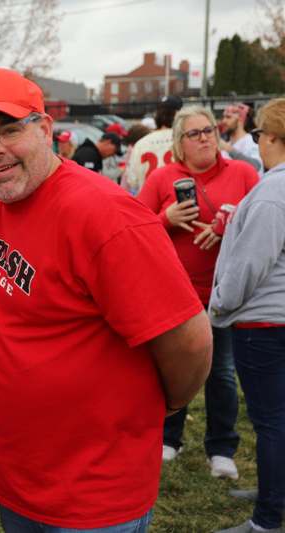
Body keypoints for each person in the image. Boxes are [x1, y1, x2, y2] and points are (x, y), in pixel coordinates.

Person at [0, 67, 212, 532]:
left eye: (9, 130)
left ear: (46, 130)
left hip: (92, 493)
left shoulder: (103, 214)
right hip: (18, 480)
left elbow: (189, 340)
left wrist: (166, 405)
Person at [138, 106, 259, 478]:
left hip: (224, 292)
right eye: (195, 133)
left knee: (221, 372)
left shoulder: (242, 172)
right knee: (171, 368)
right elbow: (134, 230)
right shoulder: (162, 178)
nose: (205, 137)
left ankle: (221, 448)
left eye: (209, 130)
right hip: (175, 293)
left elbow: (262, 224)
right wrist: (166, 219)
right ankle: (169, 438)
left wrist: (226, 226)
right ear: (179, 142)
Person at [209, 98, 285, 533]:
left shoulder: (273, 191)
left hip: (265, 323)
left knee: (270, 421)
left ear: (270, 136)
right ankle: (275, 490)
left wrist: (219, 303)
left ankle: (267, 520)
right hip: (275, 318)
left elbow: (250, 264)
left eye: (258, 134)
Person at [124, 95, 183, 195]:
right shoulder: (185, 139)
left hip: (149, 204)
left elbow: (132, 181)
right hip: (179, 201)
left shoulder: (141, 143)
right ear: (178, 114)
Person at [219, 103, 263, 173]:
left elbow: (256, 166)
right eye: (223, 117)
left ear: (240, 119)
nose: (224, 121)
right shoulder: (225, 145)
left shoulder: (251, 141)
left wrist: (230, 150)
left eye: (228, 117)